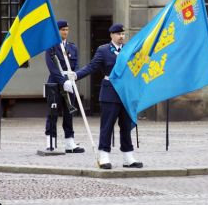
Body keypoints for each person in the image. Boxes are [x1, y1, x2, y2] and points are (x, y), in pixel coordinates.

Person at [76, 24, 143, 169]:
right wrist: (75, 76)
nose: (121, 37)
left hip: (126, 93)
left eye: (123, 34)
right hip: (110, 92)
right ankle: (104, 155)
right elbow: (92, 67)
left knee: (126, 125)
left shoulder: (129, 49)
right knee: (107, 126)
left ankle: (128, 156)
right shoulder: (104, 50)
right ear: (111, 35)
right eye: (118, 34)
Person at [44, 20, 84, 154]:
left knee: (69, 113)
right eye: (62, 30)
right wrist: (63, 81)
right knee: (52, 112)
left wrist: (74, 76)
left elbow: (76, 64)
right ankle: (50, 139)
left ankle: (69, 141)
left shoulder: (72, 47)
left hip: (70, 82)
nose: (65, 32)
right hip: (55, 83)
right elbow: (52, 68)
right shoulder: (51, 47)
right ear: (57, 31)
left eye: (67, 29)